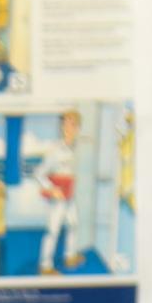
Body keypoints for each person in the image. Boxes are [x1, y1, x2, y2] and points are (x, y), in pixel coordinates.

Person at [36, 106, 84, 275]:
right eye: (66, 124)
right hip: (58, 195)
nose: (69, 128)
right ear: (62, 126)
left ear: (78, 128)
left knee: (73, 223)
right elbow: (39, 173)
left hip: (70, 193)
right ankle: (45, 266)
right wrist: (52, 189)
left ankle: (70, 257)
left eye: (73, 124)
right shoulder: (55, 149)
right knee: (53, 230)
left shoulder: (77, 147)